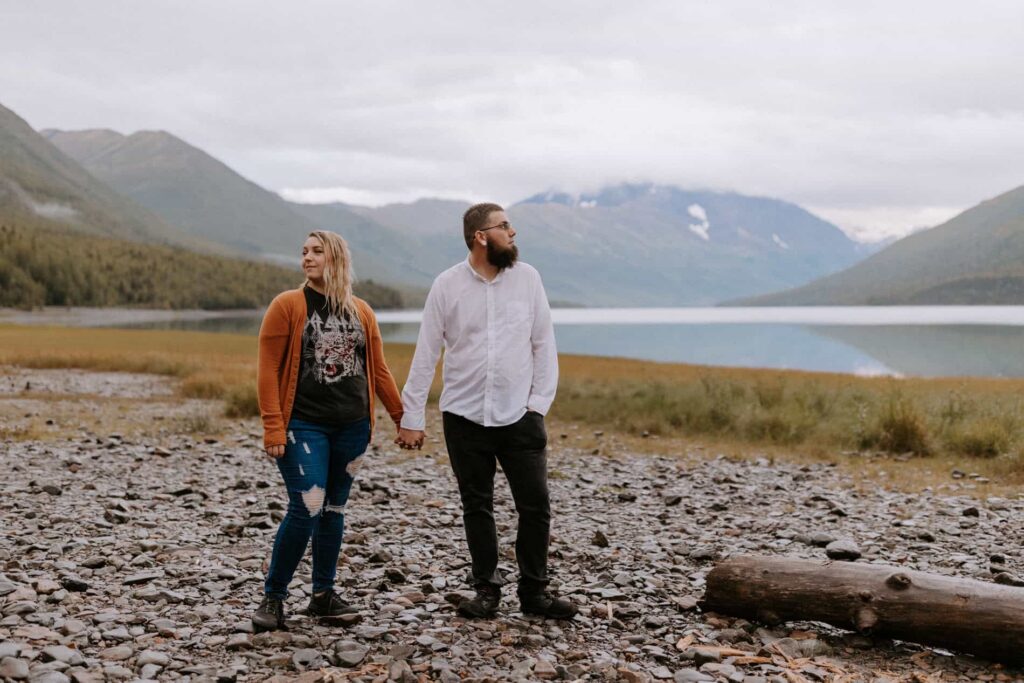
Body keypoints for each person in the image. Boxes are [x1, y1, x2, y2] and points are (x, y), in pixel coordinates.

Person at [396, 203, 576, 619]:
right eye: (504, 226)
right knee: (476, 505)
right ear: (481, 236)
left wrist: (538, 406)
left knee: (535, 506)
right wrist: (412, 417)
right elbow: (426, 353)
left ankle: (534, 593)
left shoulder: (528, 279)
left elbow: (543, 345)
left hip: (520, 417)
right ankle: (487, 590)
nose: (513, 232)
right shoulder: (446, 285)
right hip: (463, 416)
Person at [252, 230, 403, 632]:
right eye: (303, 251)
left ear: (336, 258)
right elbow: (268, 369)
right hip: (304, 424)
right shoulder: (287, 305)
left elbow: (380, 370)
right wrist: (273, 426)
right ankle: (275, 596)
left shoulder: (362, 311)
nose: (307, 257)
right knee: (307, 506)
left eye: (317, 251)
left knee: (334, 509)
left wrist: (401, 417)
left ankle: (323, 595)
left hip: (352, 428)